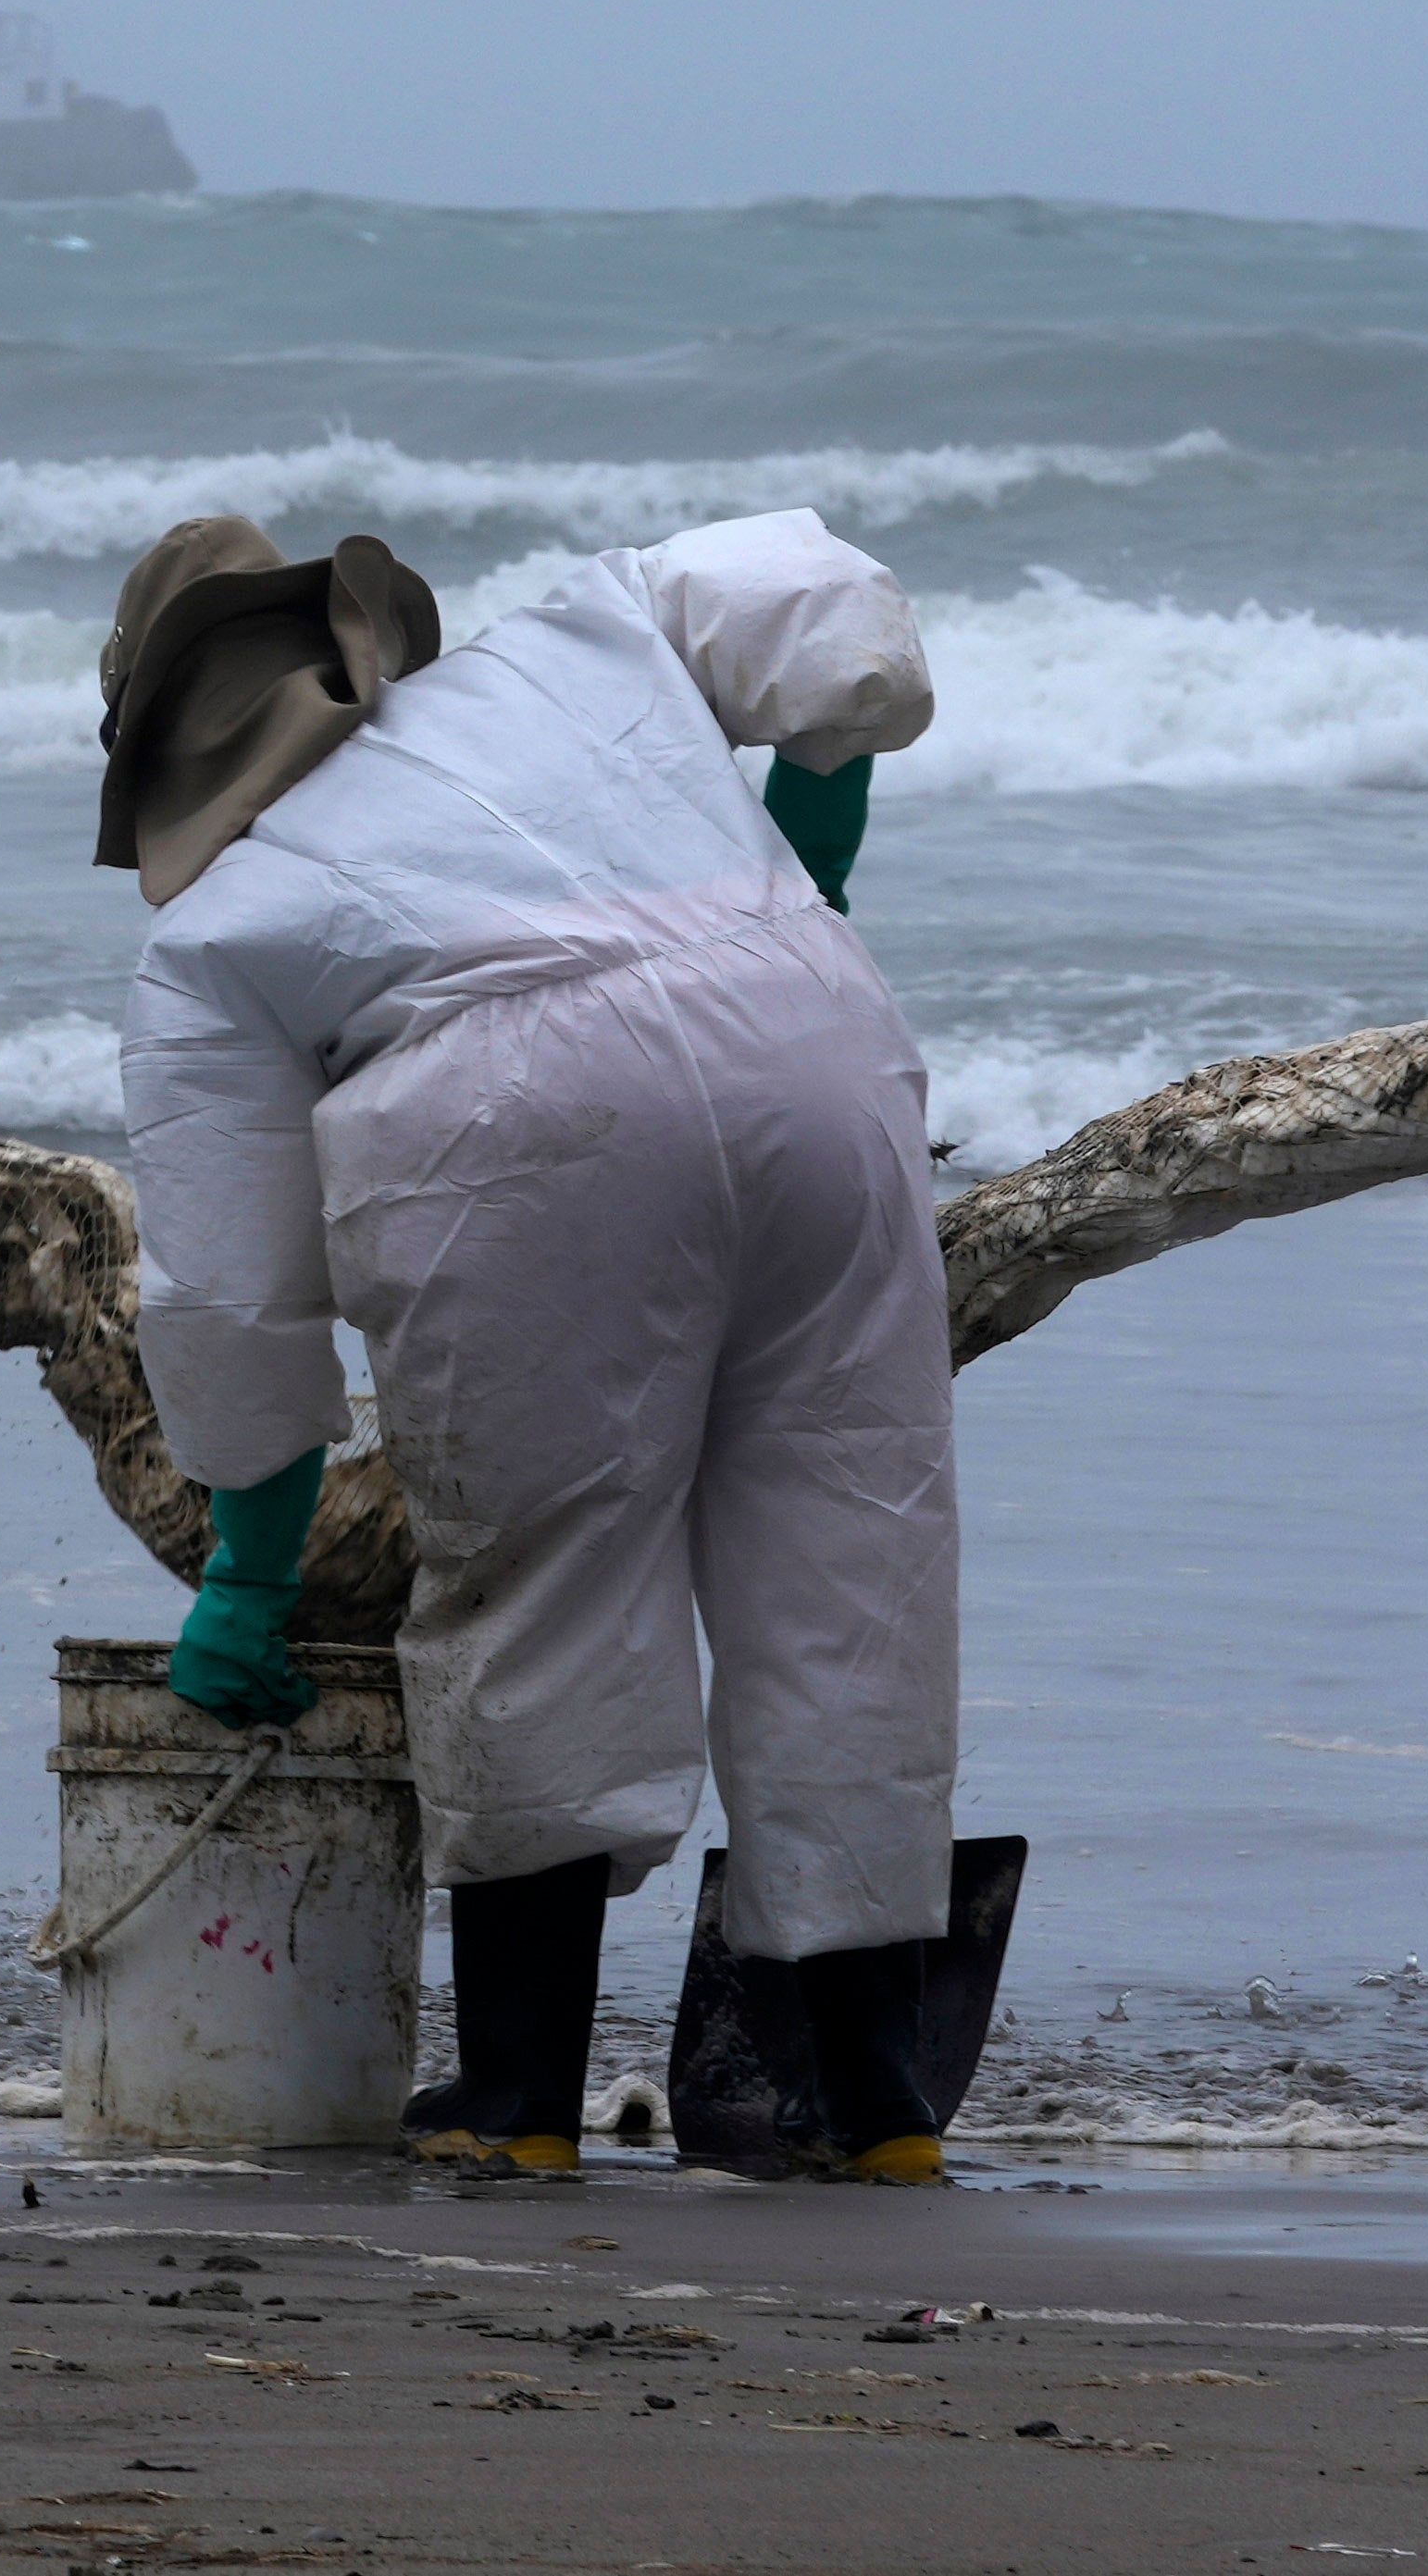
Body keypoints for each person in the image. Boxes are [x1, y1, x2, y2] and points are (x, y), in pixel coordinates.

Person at [106, 504, 957, 2178]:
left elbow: (225, 1290)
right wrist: (811, 864)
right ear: (350, 642)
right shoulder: (581, 634)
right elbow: (836, 622)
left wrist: (249, 1571)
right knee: (852, 1569)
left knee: (538, 1591)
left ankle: (519, 2107)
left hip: (521, 1127)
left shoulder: (208, 937)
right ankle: (874, 2110)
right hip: (825, 1053)